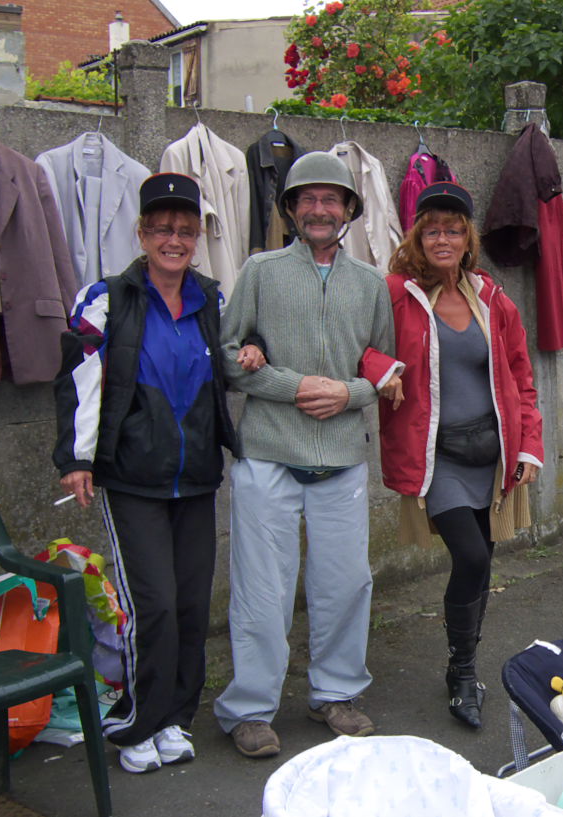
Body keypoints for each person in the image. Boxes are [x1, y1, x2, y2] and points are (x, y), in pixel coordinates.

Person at [213, 151, 402, 759]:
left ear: (349, 210)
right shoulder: (261, 271)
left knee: (346, 585)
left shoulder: (371, 284)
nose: (319, 210)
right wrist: (292, 387)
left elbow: (388, 370)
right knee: (262, 592)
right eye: (307, 199)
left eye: (332, 199)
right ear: (291, 209)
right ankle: (248, 709)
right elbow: (227, 355)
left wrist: (348, 392)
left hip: (342, 459)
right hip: (268, 453)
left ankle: (336, 694)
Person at [53, 172, 240, 774]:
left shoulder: (213, 298)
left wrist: (255, 349)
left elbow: (237, 353)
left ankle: (175, 719)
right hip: (133, 475)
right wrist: (77, 458)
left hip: (197, 476)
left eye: (185, 230)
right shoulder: (107, 297)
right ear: (141, 233)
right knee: (152, 605)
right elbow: (80, 380)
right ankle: (137, 721)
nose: (174, 238)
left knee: (190, 606)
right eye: (162, 228)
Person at [374, 181, 544, 729]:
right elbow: (360, 344)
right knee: (470, 558)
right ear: (417, 237)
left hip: (492, 455)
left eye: (452, 229)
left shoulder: (491, 297)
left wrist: (530, 446)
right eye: (432, 230)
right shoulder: (395, 293)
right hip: (438, 456)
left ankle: (465, 667)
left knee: (485, 561)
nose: (442, 238)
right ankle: (463, 670)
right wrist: (381, 370)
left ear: (467, 236)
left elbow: (521, 374)